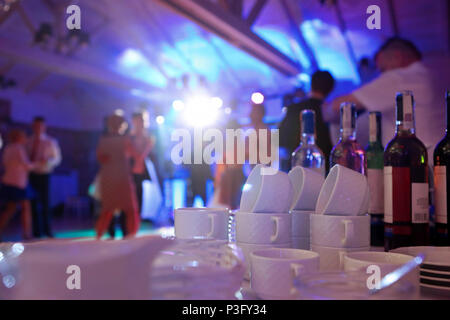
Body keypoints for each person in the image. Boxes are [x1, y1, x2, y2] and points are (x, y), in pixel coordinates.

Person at [323, 37, 449, 160]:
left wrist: (325, 108)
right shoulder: (435, 74)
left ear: (397, 56)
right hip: (437, 158)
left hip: (415, 163)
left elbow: (339, 105)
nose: (380, 74)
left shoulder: (399, 78)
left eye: (382, 69)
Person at [278, 70, 335, 172]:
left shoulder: (293, 108)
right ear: (330, 89)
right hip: (323, 171)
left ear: (311, 84)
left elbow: (280, 139)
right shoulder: (331, 112)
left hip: (295, 169)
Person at [95, 114, 140, 239]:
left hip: (112, 177)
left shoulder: (105, 140)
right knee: (125, 208)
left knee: (110, 209)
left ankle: (108, 234)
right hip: (118, 177)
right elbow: (136, 155)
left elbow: (101, 158)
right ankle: (127, 234)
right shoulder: (124, 140)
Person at [27, 116, 61, 238]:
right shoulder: (28, 141)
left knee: (45, 202)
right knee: (32, 203)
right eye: (36, 125)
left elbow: (57, 159)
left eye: (40, 126)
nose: (38, 128)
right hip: (30, 174)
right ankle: (36, 231)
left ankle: (47, 230)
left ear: (44, 127)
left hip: (44, 173)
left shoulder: (50, 141)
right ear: (33, 126)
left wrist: (47, 161)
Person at [0, 129, 36, 240]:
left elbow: (4, 163)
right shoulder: (19, 148)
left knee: (11, 208)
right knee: (25, 207)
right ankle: (27, 234)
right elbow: (27, 165)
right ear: (19, 138)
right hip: (18, 182)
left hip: (8, 181)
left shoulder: (7, 148)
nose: (25, 138)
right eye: (24, 136)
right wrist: (40, 163)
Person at [129, 112, 155, 216]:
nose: (141, 123)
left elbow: (144, 154)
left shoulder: (149, 138)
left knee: (140, 195)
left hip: (142, 172)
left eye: (142, 121)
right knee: (130, 196)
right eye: (138, 121)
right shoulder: (129, 138)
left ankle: (137, 219)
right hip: (129, 172)